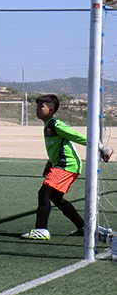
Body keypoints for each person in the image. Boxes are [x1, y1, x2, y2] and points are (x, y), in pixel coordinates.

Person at [20, 94, 112, 240]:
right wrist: (50, 163)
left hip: (66, 165)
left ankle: (41, 229)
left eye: (40, 107)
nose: (36, 110)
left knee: (44, 193)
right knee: (56, 197)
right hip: (62, 164)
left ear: (51, 110)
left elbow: (75, 136)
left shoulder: (56, 125)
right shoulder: (48, 125)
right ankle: (82, 227)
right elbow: (57, 147)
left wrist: (101, 147)